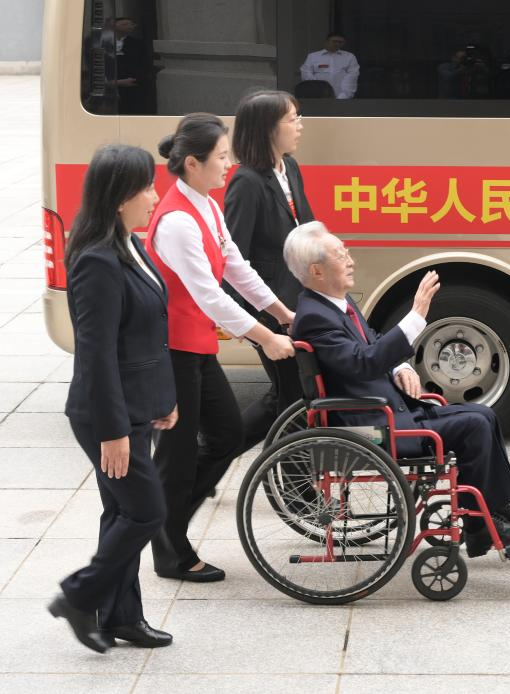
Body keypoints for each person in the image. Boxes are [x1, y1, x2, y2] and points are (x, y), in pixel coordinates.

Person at [284, 222, 510, 557]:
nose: (350, 260)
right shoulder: (315, 317)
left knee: (484, 414)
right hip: (372, 426)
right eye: (340, 255)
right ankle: (489, 521)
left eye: (345, 251)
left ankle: (496, 512)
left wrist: (401, 366)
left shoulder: (336, 303)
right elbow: (362, 362)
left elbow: (372, 343)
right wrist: (416, 316)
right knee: (474, 425)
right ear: (317, 270)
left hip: (389, 411)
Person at [145, 114, 296, 581]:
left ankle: (165, 521)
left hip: (195, 346)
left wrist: (282, 314)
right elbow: (208, 295)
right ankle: (170, 550)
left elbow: (236, 266)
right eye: (222, 157)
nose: (229, 164)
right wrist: (266, 337)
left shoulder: (207, 206)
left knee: (227, 436)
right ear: (193, 163)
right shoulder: (176, 221)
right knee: (175, 456)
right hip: (171, 350)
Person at [48, 145, 176, 653]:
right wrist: (114, 431)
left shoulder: (129, 243)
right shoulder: (97, 261)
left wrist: (163, 398)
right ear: (121, 197)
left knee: (121, 512)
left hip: (138, 403)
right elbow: (96, 355)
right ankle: (79, 596)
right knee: (146, 511)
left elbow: (148, 333)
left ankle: (122, 617)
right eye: (147, 187)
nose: (155, 196)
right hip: (107, 413)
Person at [224, 90, 314, 453]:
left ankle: (217, 452)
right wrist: (248, 323)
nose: (300, 126)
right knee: (293, 396)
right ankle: (291, 475)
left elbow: (306, 228)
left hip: (299, 302)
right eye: (292, 119)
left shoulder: (289, 167)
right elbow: (234, 257)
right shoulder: (247, 182)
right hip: (270, 309)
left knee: (289, 394)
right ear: (267, 129)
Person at [299, 32, 360, 100]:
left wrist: (344, 96)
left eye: (340, 42)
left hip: (342, 96)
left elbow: (353, 76)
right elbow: (306, 74)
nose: (337, 44)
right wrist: (316, 91)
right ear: (326, 42)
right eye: (334, 41)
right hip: (318, 96)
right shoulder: (313, 56)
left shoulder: (349, 57)